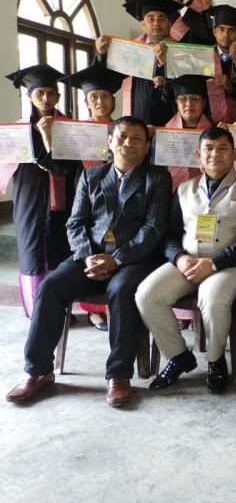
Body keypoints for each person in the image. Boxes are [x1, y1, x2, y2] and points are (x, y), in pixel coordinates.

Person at [5, 116, 172, 406]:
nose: (128, 143)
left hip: (134, 259)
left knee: (121, 290)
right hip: (90, 256)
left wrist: (115, 259)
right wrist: (86, 256)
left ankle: (118, 375)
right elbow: (75, 222)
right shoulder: (91, 176)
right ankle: (38, 371)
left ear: (147, 147)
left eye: (136, 138)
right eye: (122, 137)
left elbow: (153, 228)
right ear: (110, 142)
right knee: (51, 286)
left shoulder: (157, 178)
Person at [136, 127, 236, 395]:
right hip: (188, 262)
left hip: (230, 265)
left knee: (212, 298)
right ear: (198, 155)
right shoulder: (184, 190)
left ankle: (216, 361)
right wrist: (179, 258)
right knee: (147, 294)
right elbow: (170, 235)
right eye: (209, 149)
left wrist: (215, 263)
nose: (215, 154)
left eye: (222, 148)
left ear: (234, 154)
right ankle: (179, 356)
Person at [2, 64, 81, 318]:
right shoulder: (18, 130)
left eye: (51, 93)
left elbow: (69, 167)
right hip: (29, 197)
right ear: (29, 96)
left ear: (58, 96)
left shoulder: (70, 127)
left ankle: (62, 310)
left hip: (65, 198)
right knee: (32, 250)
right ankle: (38, 313)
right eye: (40, 93)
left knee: (61, 247)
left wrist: (49, 139)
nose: (46, 98)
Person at [59, 63, 128, 331]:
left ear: (113, 100)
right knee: (88, 246)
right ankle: (94, 311)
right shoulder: (75, 131)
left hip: (120, 195)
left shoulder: (123, 130)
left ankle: (115, 303)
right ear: (87, 102)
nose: (100, 101)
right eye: (94, 97)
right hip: (86, 195)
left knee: (114, 248)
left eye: (105, 96)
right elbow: (65, 166)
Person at [95, 0, 181, 127]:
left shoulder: (181, 51)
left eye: (161, 18)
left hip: (170, 118)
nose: (156, 23)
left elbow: (187, 86)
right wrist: (101, 54)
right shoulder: (130, 49)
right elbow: (109, 80)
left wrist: (166, 67)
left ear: (170, 24)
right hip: (136, 115)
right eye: (151, 18)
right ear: (143, 24)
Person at [182, 4, 236, 124]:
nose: (226, 35)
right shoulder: (201, 58)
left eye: (231, 30)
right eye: (221, 29)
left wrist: (231, 87)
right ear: (214, 31)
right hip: (207, 123)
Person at [161, 75, 212, 191]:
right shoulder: (162, 134)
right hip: (169, 193)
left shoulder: (215, 134)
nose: (189, 103)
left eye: (195, 98)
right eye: (183, 98)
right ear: (176, 103)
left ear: (204, 103)